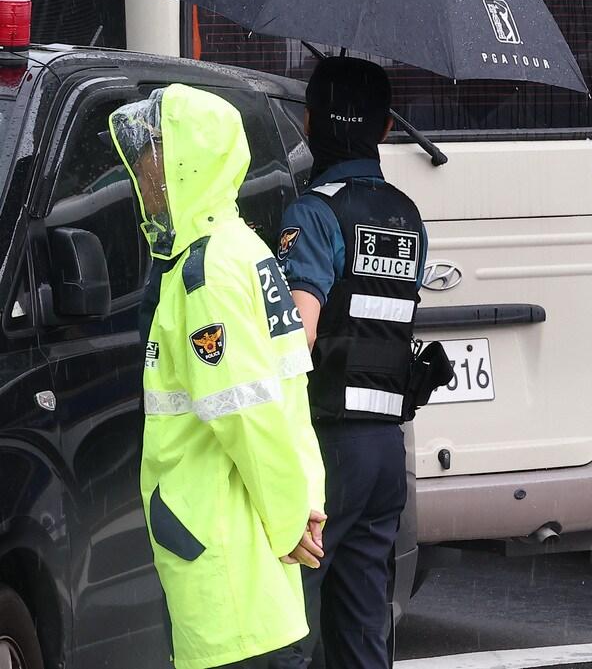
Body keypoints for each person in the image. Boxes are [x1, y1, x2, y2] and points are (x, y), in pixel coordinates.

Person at [111, 84, 326, 669]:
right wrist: (300, 508)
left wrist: (288, 523)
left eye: (155, 152)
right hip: (249, 552)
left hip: (226, 557)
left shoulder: (203, 272)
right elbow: (284, 401)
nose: (144, 172)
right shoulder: (243, 249)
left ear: (188, 158)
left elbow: (245, 413)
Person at [279, 57, 427, 669]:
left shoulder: (314, 212)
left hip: (325, 449)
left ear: (311, 123)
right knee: (365, 636)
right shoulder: (406, 214)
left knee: (287, 621)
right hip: (386, 451)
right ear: (385, 130)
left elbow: (298, 334)